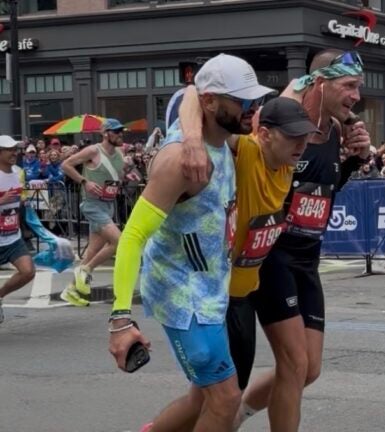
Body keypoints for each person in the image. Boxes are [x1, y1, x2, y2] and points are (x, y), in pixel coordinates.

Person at [198, 49, 369, 432]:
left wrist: (355, 160)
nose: (356, 96)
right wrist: (192, 140)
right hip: (273, 256)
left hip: (308, 260)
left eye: (358, 87)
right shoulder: (278, 117)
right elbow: (225, 138)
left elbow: (321, 192)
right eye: (349, 86)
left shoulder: (335, 130)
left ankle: (235, 413)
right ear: (320, 82)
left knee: (309, 370)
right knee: (293, 365)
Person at [107, 53, 274, 432]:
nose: (253, 108)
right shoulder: (180, 161)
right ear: (212, 102)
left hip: (210, 290)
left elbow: (189, 92)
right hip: (185, 298)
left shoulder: (223, 140)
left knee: (203, 396)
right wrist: (119, 320)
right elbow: (132, 236)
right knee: (226, 398)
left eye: (255, 99)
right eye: (243, 100)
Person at [179, 94, 317, 397]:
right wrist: (191, 139)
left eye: (305, 137)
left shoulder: (286, 164)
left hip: (244, 290)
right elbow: (194, 94)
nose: (302, 145)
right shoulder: (249, 150)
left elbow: (293, 99)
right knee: (217, 397)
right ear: (265, 135)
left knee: (226, 393)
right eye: (294, 137)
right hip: (218, 295)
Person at [60, 118, 130, 306]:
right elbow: (65, 165)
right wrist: (85, 181)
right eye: (116, 132)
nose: (120, 134)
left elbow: (118, 177)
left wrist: (127, 175)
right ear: (105, 133)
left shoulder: (120, 153)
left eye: (121, 131)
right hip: (92, 204)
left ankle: (70, 290)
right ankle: (86, 270)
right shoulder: (93, 150)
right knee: (120, 241)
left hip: (109, 204)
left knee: (91, 252)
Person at [0, 136, 36, 324]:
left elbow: (21, 198)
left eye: (15, 149)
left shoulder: (18, 172)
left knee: (28, 271)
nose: (14, 153)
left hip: (13, 236)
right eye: (9, 150)